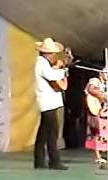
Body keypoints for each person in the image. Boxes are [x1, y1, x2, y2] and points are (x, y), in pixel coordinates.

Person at [34, 38, 69, 170]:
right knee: (52, 133)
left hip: (49, 102)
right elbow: (51, 76)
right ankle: (54, 161)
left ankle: (39, 161)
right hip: (47, 102)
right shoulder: (42, 63)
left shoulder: (44, 63)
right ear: (47, 54)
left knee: (43, 133)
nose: (54, 55)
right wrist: (64, 71)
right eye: (53, 53)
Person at [84, 67, 108, 164]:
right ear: (100, 73)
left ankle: (103, 154)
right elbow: (91, 90)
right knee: (97, 132)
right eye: (105, 73)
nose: (107, 75)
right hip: (96, 108)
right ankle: (97, 155)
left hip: (105, 110)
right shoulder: (95, 81)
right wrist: (103, 95)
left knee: (105, 133)